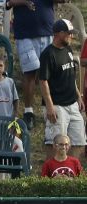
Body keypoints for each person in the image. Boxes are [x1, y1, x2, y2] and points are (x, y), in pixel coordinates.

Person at [8, 0, 62, 130]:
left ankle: (49, 109)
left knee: (49, 73)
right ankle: (28, 112)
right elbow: (8, 3)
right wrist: (25, 2)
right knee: (30, 73)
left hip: (47, 30)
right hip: (25, 33)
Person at [38, 19, 85, 160]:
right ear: (59, 33)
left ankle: (70, 173)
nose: (72, 36)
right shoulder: (48, 54)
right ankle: (53, 174)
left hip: (72, 104)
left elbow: (71, 76)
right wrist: (50, 106)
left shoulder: (68, 49)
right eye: (69, 34)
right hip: (57, 105)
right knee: (55, 142)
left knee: (78, 141)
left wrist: (78, 96)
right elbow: (43, 81)